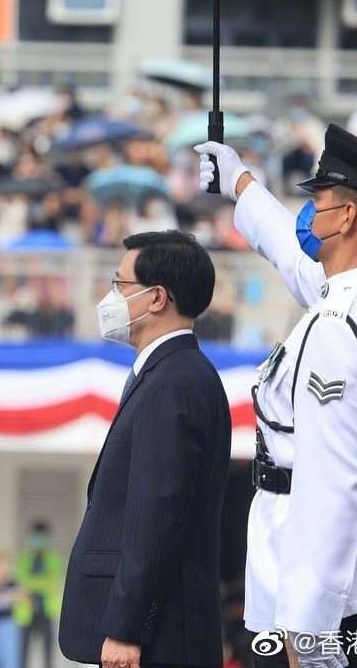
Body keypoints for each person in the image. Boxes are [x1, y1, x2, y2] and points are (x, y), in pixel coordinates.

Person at [196, 125, 357, 668]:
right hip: (356, 591)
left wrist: (309, 633)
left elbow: (331, 481)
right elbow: (296, 261)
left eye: (318, 202)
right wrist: (241, 182)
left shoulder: (338, 327)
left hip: (320, 614)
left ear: (346, 217)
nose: (309, 215)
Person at [59, 230, 231, 667]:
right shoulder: (167, 372)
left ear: (156, 298)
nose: (110, 298)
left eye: (120, 286)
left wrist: (125, 629)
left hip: (159, 640)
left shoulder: (174, 381)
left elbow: (156, 515)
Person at [14, 519, 64, 668]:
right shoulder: (24, 559)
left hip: (46, 610)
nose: (38, 541)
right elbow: (21, 581)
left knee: (48, 650)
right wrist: (39, 582)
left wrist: (32, 584)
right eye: (36, 537)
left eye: (41, 537)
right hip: (26, 610)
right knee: (23, 651)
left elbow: (53, 581)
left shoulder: (53, 559)